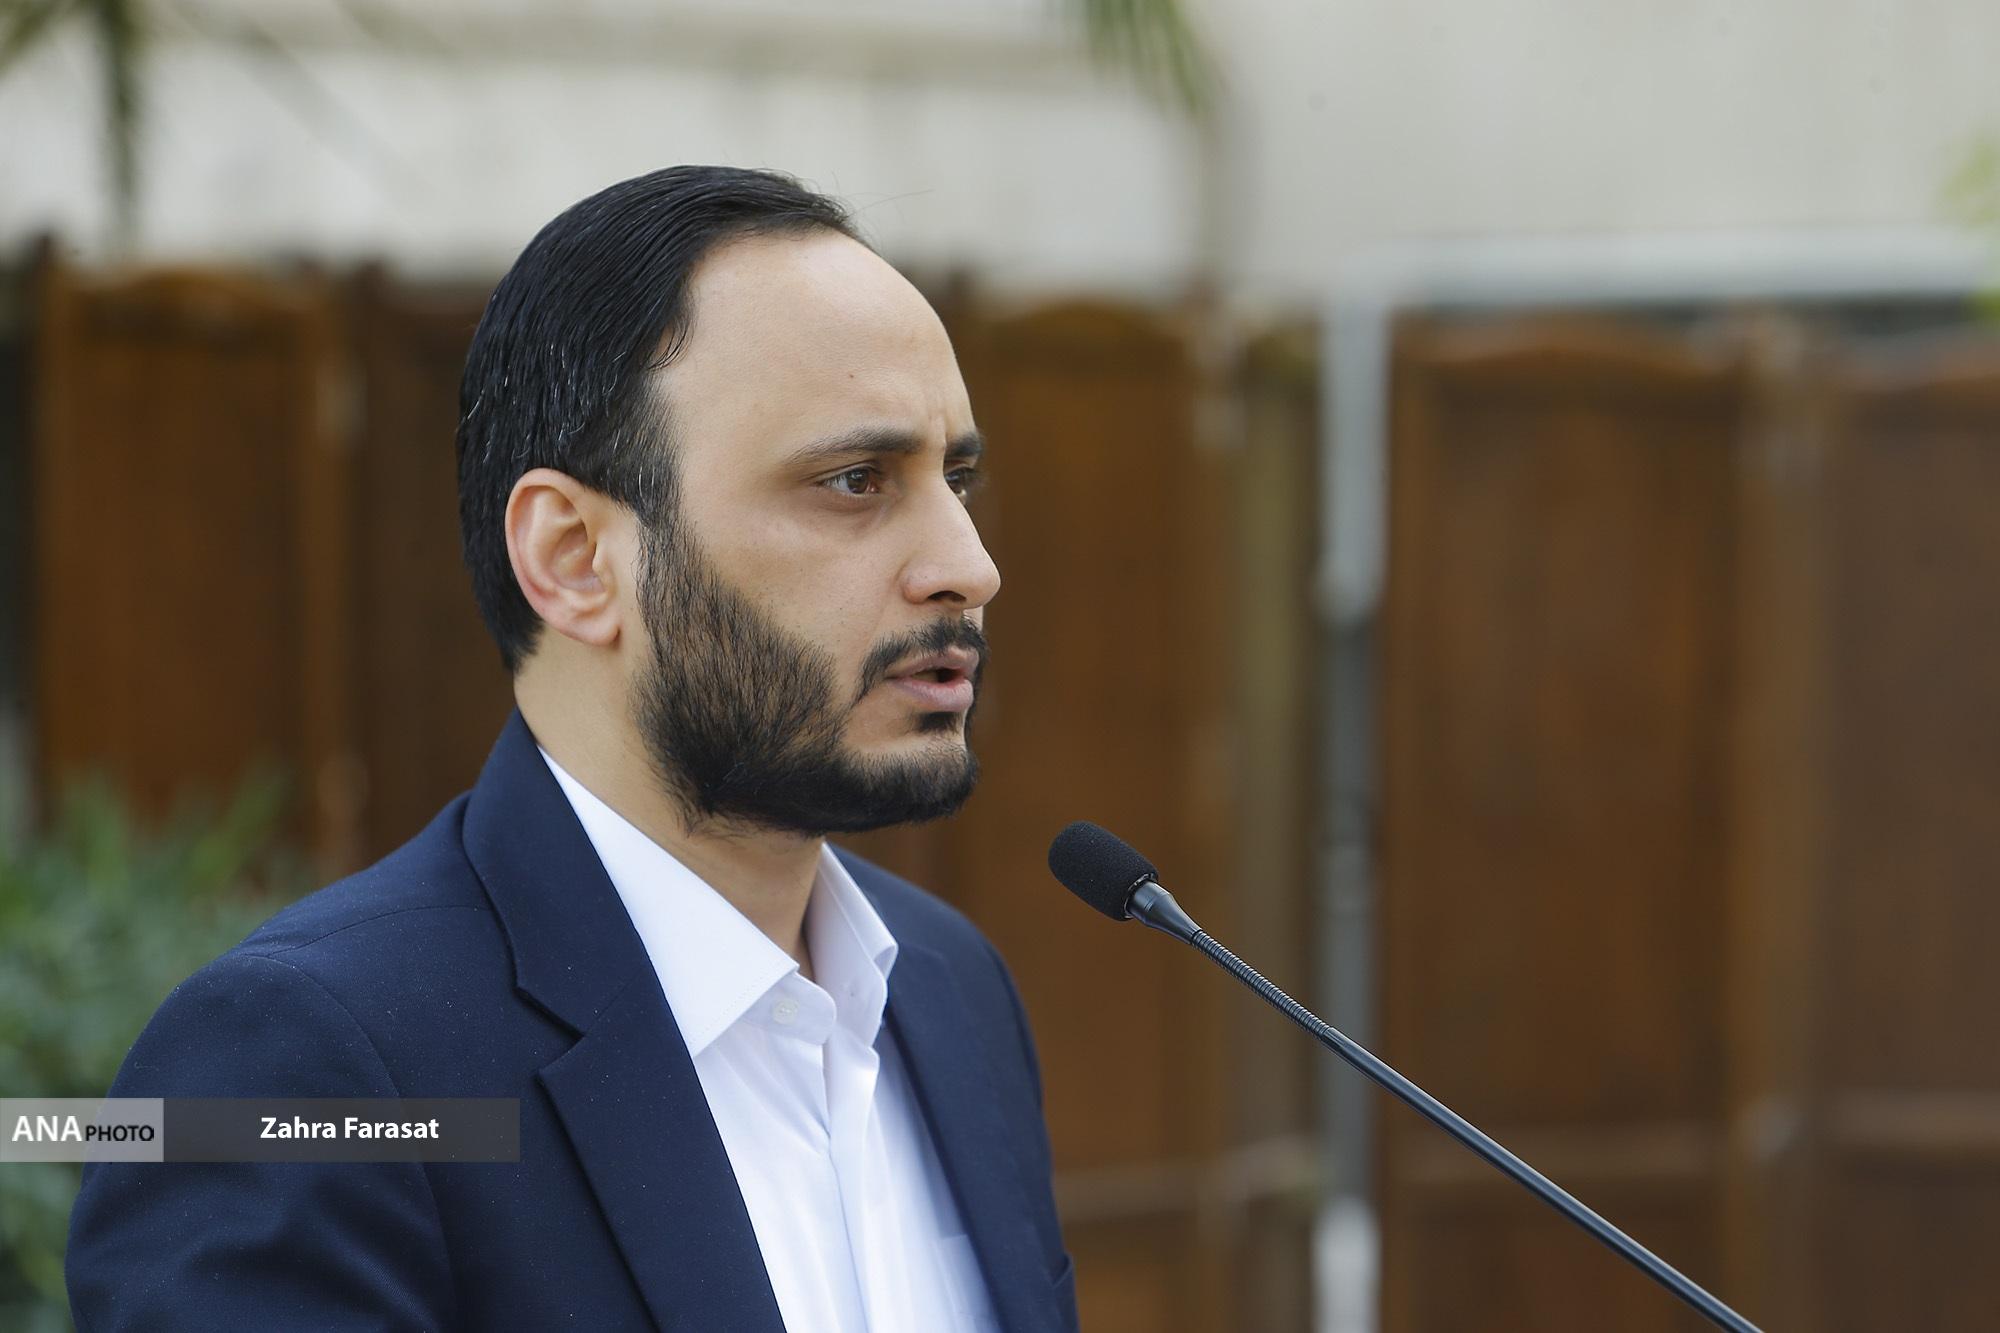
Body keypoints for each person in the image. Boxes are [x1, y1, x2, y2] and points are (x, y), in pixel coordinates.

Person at [66, 165, 1077, 1333]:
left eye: (957, 479)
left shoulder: (949, 988)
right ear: (574, 558)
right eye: (854, 481)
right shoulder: (306, 1065)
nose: (966, 565)